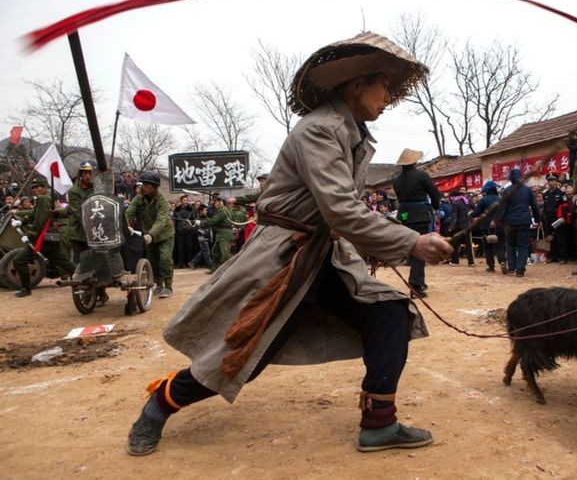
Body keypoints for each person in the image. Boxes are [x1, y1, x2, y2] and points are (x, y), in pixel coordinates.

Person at [126, 32, 453, 457]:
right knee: (248, 351)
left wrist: (381, 238)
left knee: (389, 314)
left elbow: (343, 212)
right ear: (357, 85)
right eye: (384, 86)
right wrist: (411, 241)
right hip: (285, 258)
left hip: (326, 256)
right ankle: (160, 403)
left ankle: (379, 423)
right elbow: (339, 209)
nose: (388, 97)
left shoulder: (350, 133)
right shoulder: (320, 129)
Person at [12, 178, 75, 297]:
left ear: (44, 187)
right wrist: (22, 222)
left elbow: (40, 221)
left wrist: (29, 236)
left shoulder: (43, 198)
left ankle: (26, 289)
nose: (35, 190)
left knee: (19, 261)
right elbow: (34, 214)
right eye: (34, 188)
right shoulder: (48, 197)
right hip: (51, 237)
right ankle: (84, 276)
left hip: (43, 237)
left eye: (38, 187)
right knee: (61, 261)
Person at [393, 148, 441, 298]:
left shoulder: (397, 180)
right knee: (420, 248)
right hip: (419, 214)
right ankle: (416, 285)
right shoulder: (421, 175)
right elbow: (434, 192)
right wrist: (436, 206)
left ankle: (417, 280)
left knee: (411, 245)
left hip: (404, 215)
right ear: (414, 162)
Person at [125, 172, 175, 298]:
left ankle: (168, 287)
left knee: (165, 259)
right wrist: (127, 225)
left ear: (155, 187)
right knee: (153, 261)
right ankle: (158, 285)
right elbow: (129, 212)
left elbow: (161, 220)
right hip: (148, 235)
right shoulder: (139, 198)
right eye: (144, 184)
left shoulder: (162, 201)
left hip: (165, 234)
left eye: (148, 185)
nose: (144, 187)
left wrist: (151, 234)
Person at [500, 168, 540, 277]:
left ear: (510, 179)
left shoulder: (507, 191)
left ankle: (511, 267)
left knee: (511, 245)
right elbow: (535, 206)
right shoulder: (527, 190)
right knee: (523, 246)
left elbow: (502, 208)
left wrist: (499, 220)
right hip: (524, 221)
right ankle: (520, 270)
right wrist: (537, 219)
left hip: (509, 222)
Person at [65, 160, 96, 263]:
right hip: (79, 231)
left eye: (91, 173)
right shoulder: (74, 191)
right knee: (79, 261)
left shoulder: (98, 189)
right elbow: (78, 212)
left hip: (97, 230)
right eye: (85, 173)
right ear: (81, 174)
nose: (88, 176)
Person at [470, 180, 505, 273]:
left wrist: (470, 214)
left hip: (486, 226)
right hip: (500, 225)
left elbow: (476, 212)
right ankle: (502, 262)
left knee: (488, 247)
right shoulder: (500, 199)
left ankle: (491, 266)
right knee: (500, 246)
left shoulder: (483, 200)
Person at [194, 195, 234, 272]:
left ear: (221, 202)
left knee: (226, 254)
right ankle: (215, 269)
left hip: (224, 234)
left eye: (216, 202)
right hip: (221, 233)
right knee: (215, 252)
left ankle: (234, 270)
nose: (214, 204)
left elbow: (213, 221)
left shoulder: (222, 211)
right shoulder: (223, 210)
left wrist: (201, 223)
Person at [541, 173, 566, 263]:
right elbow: (544, 207)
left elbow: (564, 207)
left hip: (557, 218)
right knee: (549, 238)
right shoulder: (545, 194)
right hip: (547, 218)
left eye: (553, 181)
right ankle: (552, 256)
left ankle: (562, 257)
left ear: (556, 182)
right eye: (549, 181)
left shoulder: (561, 193)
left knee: (560, 237)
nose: (551, 183)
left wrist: (562, 217)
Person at [173, 195, 196, 268]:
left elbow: (194, 219)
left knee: (189, 247)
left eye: (186, 200)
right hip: (179, 231)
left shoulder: (191, 209)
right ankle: (181, 263)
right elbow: (175, 221)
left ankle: (190, 262)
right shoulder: (176, 210)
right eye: (184, 200)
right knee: (180, 248)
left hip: (189, 230)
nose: (186, 201)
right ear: (181, 201)